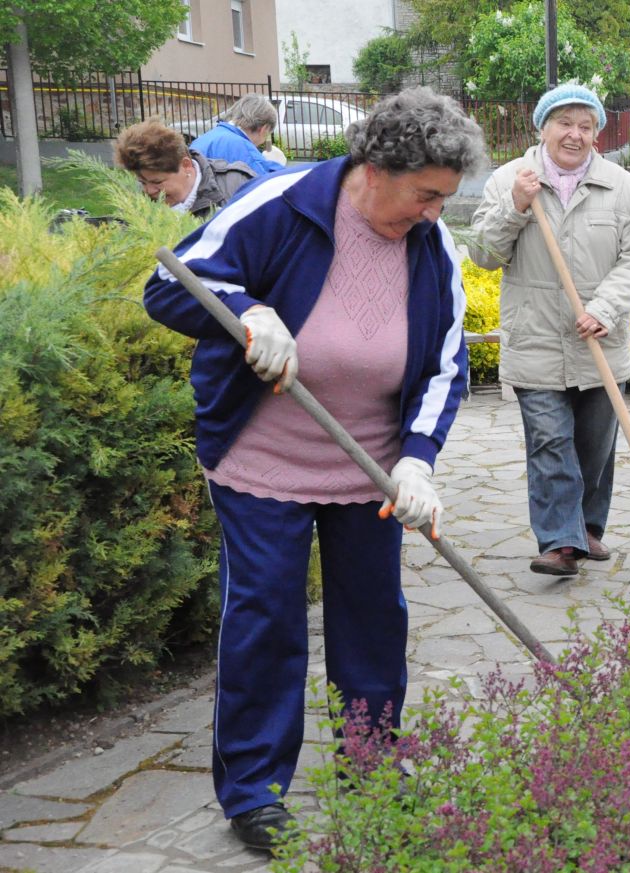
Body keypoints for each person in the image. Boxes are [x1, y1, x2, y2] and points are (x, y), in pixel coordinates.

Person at [143, 87, 486, 850]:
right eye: (427, 194)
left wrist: (418, 462)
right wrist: (248, 313)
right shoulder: (283, 203)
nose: (435, 212)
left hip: (370, 468)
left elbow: (444, 364)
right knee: (266, 617)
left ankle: (372, 765)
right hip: (262, 461)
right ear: (377, 168)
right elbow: (169, 284)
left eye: (445, 198)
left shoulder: (431, 245)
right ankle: (255, 791)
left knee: (374, 620)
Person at [468, 83, 630, 577]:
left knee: (594, 446)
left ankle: (586, 528)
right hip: (536, 339)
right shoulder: (509, 181)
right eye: (565, 123)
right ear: (543, 128)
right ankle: (560, 541)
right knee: (550, 442)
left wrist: (605, 309)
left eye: (585, 126)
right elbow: (483, 255)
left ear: (596, 134)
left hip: (600, 342)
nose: (575, 134)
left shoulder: (622, 188)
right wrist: (514, 207)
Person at [113, 119, 256, 218]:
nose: (149, 191)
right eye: (143, 182)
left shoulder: (236, 184)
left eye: (157, 182)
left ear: (186, 165)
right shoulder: (134, 200)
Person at [191, 93, 285, 176]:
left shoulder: (204, 138)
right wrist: (275, 165)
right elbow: (267, 184)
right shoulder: (245, 150)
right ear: (264, 129)